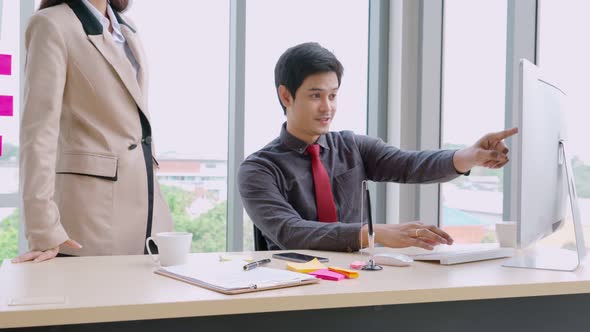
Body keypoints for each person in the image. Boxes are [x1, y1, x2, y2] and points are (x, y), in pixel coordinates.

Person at [238, 42, 518, 252]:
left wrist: (469, 156)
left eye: (333, 95)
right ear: (286, 95)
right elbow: (289, 231)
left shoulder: (352, 146)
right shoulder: (259, 169)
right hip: (294, 291)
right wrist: (373, 233)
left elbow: (410, 165)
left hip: (358, 281)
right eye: (315, 96)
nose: (327, 108)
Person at [13, 0, 172, 263]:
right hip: (91, 214)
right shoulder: (51, 24)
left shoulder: (128, 29)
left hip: (148, 210)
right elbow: (38, 134)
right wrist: (43, 229)